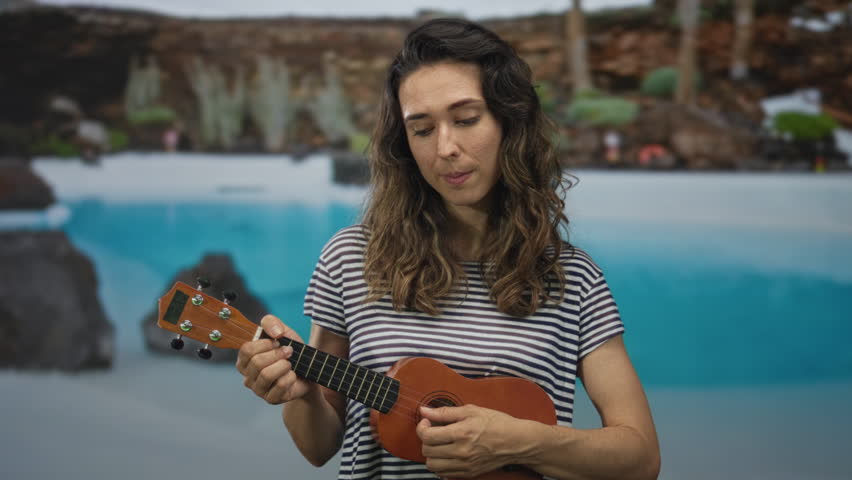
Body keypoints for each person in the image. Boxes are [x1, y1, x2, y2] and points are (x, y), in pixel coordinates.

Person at [236, 18, 660, 480]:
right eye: (421, 129)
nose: (446, 148)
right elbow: (318, 447)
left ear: (508, 121)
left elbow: (640, 459)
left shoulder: (572, 278)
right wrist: (300, 394)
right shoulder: (350, 258)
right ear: (405, 144)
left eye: (466, 119)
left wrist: (520, 442)